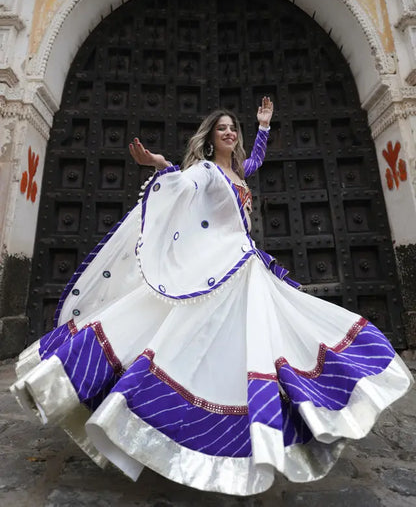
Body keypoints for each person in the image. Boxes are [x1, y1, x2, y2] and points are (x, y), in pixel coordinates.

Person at [11, 98, 413, 496]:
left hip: (245, 265)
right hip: (219, 269)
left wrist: (265, 127)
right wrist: (161, 165)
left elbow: (253, 163)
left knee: (262, 337)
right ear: (209, 139)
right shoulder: (204, 171)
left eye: (232, 129)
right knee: (191, 337)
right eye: (222, 129)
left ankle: (268, 420)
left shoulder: (238, 173)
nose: (229, 133)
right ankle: (168, 418)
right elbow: (183, 185)